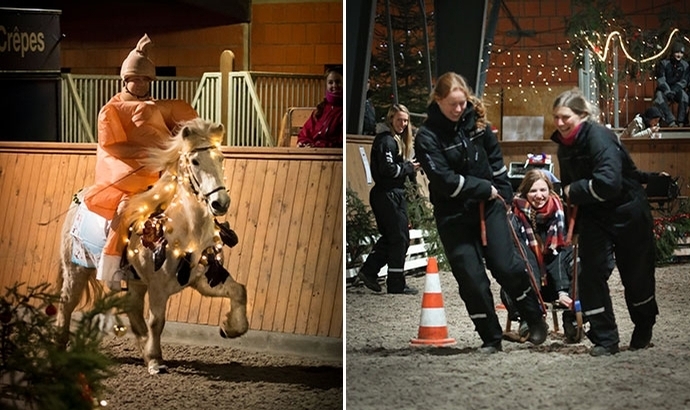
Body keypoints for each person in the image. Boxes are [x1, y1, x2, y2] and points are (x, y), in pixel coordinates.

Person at [414, 72, 548, 353]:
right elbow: (445, 181)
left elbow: (496, 161)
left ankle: (534, 317)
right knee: (472, 279)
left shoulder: (478, 123)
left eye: (462, 103)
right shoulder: (426, 137)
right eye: (453, 104)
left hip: (490, 208)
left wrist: (504, 196)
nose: (459, 109)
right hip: (453, 216)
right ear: (438, 100)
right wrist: (483, 188)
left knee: (507, 266)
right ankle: (490, 337)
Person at [83, 34, 198, 290]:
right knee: (126, 210)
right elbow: (111, 144)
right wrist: (145, 153)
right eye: (136, 79)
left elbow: (182, 126)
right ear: (125, 80)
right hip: (127, 172)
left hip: (160, 172)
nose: (141, 83)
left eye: (145, 79)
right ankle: (112, 266)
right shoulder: (111, 110)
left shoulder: (157, 105)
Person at [551, 88, 659, 356]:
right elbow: (569, 185)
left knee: (636, 274)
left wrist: (573, 191)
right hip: (594, 215)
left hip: (627, 211)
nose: (560, 123)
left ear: (582, 116)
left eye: (565, 117)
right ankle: (604, 338)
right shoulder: (563, 146)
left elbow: (608, 183)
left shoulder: (599, 137)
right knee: (589, 274)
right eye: (556, 117)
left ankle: (644, 325)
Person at [502, 169, 579, 342]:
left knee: (579, 263)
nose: (539, 195)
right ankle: (529, 318)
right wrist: (534, 295)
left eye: (543, 190)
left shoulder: (561, 212)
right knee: (512, 271)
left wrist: (562, 291)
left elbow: (561, 253)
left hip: (557, 280)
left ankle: (571, 318)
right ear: (525, 193)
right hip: (530, 284)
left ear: (550, 190)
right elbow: (521, 254)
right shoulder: (514, 217)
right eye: (533, 191)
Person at [357, 104, 419, 295]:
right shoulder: (386, 141)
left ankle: (370, 272)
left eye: (406, 120)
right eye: (400, 119)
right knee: (399, 238)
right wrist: (408, 168)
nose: (403, 123)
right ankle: (394, 283)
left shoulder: (395, 140)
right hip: (387, 194)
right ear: (391, 119)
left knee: (395, 237)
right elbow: (388, 170)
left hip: (392, 194)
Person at [296, 65, 343, 147]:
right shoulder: (320, 110)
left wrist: (319, 145)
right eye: (330, 82)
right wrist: (304, 143)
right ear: (326, 85)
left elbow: (340, 141)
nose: (334, 85)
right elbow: (305, 133)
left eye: (338, 82)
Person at [653, 41, 689, 127]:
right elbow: (661, 79)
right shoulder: (664, 63)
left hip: (677, 89)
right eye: (677, 52)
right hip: (664, 89)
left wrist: (675, 90)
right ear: (673, 52)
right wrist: (667, 91)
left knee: (684, 96)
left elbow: (684, 81)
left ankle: (681, 121)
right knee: (659, 98)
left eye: (681, 53)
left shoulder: (685, 65)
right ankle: (671, 122)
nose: (679, 55)